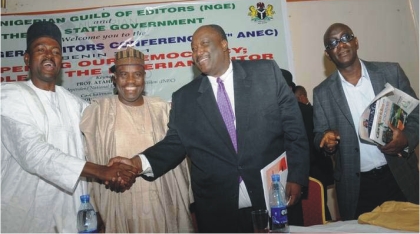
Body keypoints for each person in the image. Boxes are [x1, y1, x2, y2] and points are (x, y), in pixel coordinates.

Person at [109, 24, 310, 232]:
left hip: (273, 197)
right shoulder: (185, 98)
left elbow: (294, 130)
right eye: (193, 48)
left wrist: (296, 176)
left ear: (224, 44)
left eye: (204, 44)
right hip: (220, 210)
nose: (198, 52)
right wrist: (136, 163)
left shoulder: (265, 73)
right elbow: (173, 144)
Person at [1, 21, 138, 233]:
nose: (49, 55)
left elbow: (99, 140)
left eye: (55, 51)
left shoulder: (74, 104)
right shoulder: (9, 96)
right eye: (41, 50)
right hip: (26, 216)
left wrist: (119, 169)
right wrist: (103, 171)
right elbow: (35, 154)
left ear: (61, 61)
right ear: (27, 58)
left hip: (73, 216)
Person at [79, 47, 194, 232]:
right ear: (114, 78)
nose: (131, 81)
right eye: (124, 74)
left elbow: (177, 157)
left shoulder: (162, 109)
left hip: (162, 202)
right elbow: (91, 161)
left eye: (137, 74)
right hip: (118, 203)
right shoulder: (98, 112)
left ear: (144, 77)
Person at [313, 22, 419, 220]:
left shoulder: (390, 72)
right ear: (328, 54)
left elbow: (416, 115)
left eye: (345, 37)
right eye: (333, 43)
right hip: (357, 187)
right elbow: (319, 135)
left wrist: (405, 140)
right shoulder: (322, 93)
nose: (341, 45)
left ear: (356, 41)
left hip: (398, 175)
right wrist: (326, 143)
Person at [294, 85, 334, 221]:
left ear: (302, 97)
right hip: (317, 166)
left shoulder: (310, 111)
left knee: (318, 208)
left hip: (315, 167)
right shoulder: (309, 111)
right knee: (320, 208)